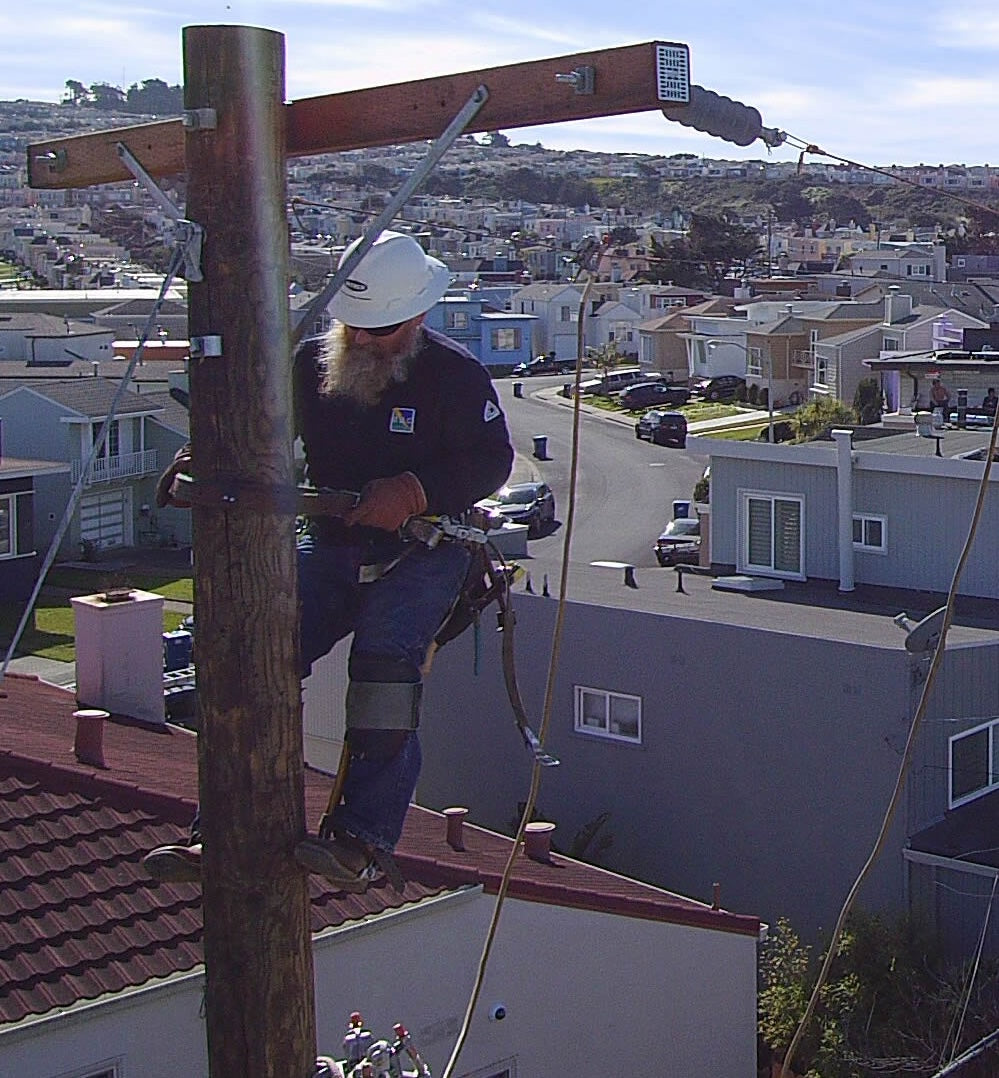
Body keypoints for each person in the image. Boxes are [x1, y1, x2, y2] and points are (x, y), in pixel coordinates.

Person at [144, 231, 514, 890]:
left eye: (383, 329)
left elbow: (490, 461)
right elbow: (259, 432)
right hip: (334, 542)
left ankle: (361, 842)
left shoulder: (455, 376)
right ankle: (224, 830)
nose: (367, 341)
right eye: (357, 326)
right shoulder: (310, 363)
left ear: (419, 315)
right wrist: (210, 465)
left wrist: (414, 491)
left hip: (422, 551)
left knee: (382, 676)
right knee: (257, 658)